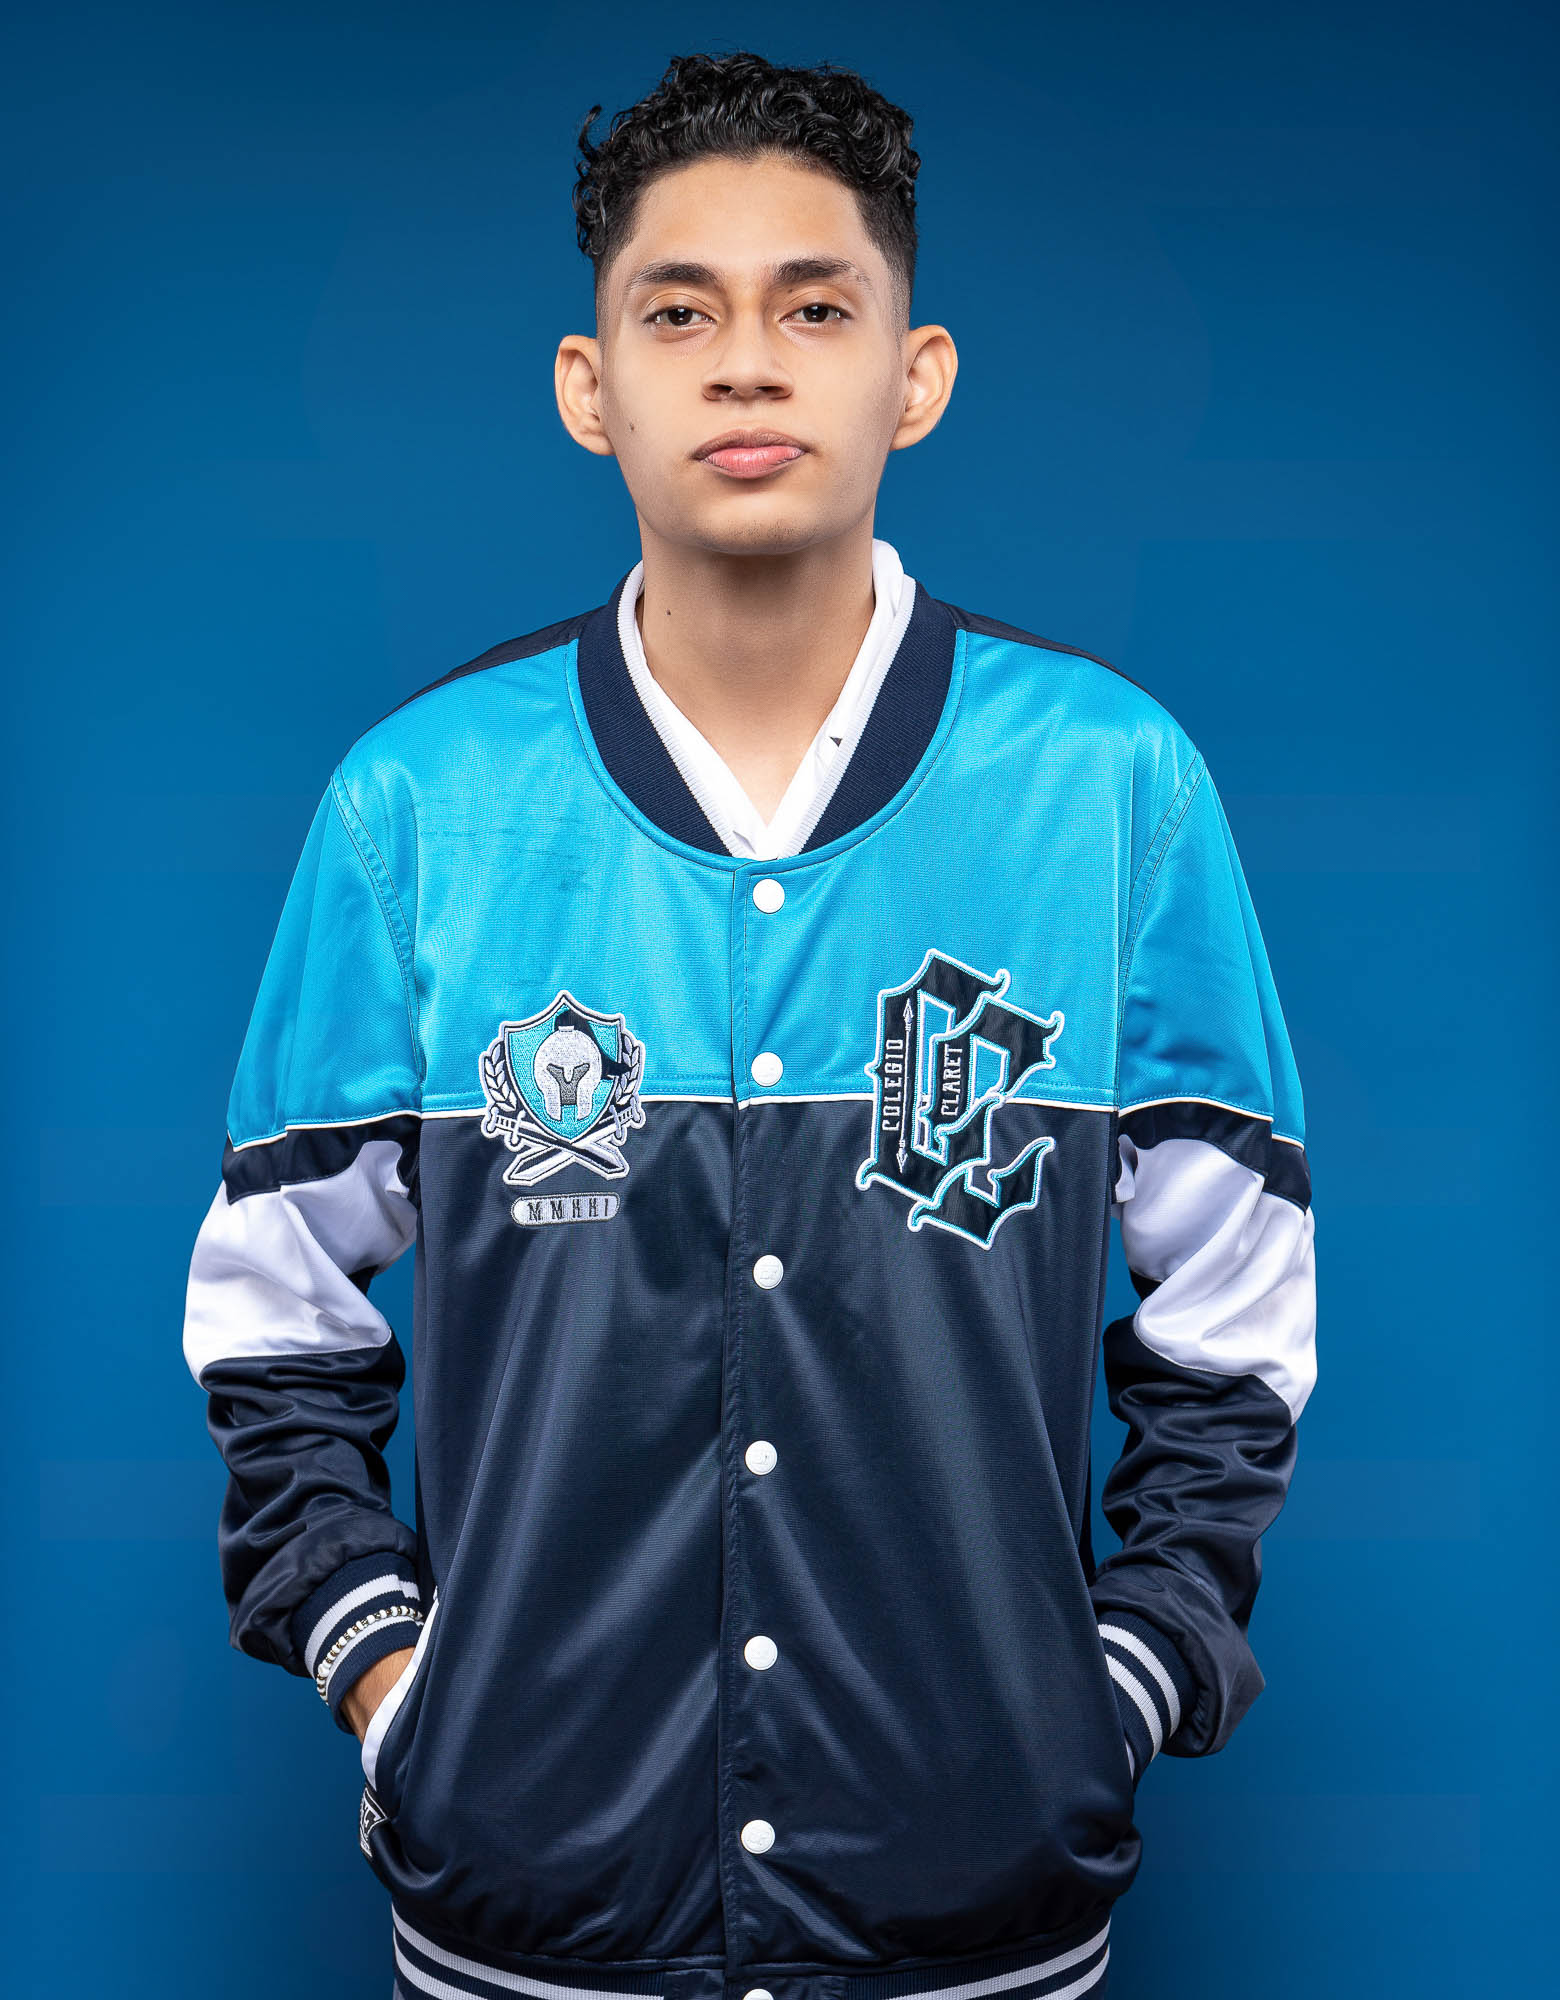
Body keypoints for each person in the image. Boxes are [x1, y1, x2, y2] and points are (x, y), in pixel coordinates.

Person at [182, 49, 1317, 2000]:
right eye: (679, 313)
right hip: (529, 1916)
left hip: (976, 1912)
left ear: (913, 374)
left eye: (814, 309)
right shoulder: (420, 805)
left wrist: (1111, 1689)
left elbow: (1239, 1323)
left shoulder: (1111, 786)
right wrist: (397, 1684)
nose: (745, 369)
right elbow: (270, 1319)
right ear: (589, 385)